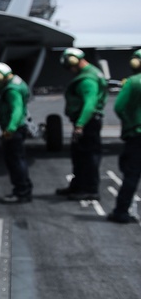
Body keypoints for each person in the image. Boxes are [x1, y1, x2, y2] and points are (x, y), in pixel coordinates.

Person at [55, 47, 108, 201]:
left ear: (74, 61)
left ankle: (90, 190)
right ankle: (77, 186)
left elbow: (89, 105)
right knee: (79, 155)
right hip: (87, 122)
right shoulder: (91, 72)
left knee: (88, 156)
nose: (69, 69)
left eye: (69, 66)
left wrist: (80, 125)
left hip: (87, 122)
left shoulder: (87, 80)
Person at [0, 62, 33, 202]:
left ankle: (21, 193)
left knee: (15, 162)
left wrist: (10, 129)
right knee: (19, 160)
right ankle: (24, 190)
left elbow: (16, 111)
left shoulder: (12, 90)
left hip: (14, 131)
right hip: (18, 129)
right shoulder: (15, 81)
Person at [109, 49, 141, 223]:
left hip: (136, 135)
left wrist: (130, 123)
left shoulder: (133, 82)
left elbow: (119, 107)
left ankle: (121, 212)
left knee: (131, 174)